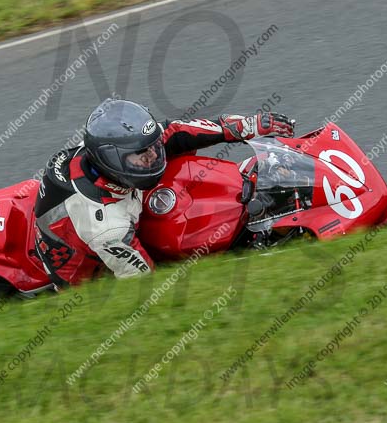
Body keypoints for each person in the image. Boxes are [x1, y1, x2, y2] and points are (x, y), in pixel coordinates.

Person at [33, 98, 294, 286]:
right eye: (141, 156)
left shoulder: (107, 149)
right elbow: (145, 284)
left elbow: (175, 132)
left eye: (152, 148)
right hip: (88, 267)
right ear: (110, 160)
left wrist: (245, 127)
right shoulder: (107, 227)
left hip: (102, 211)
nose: (152, 156)